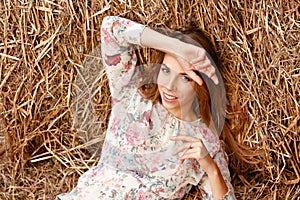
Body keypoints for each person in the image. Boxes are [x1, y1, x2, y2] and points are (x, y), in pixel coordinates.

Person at [57, 15, 236, 199]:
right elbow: (111, 28)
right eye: (166, 70)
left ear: (202, 83)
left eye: (185, 77)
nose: (169, 85)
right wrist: (175, 46)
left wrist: (212, 169)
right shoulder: (129, 95)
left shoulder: (203, 142)